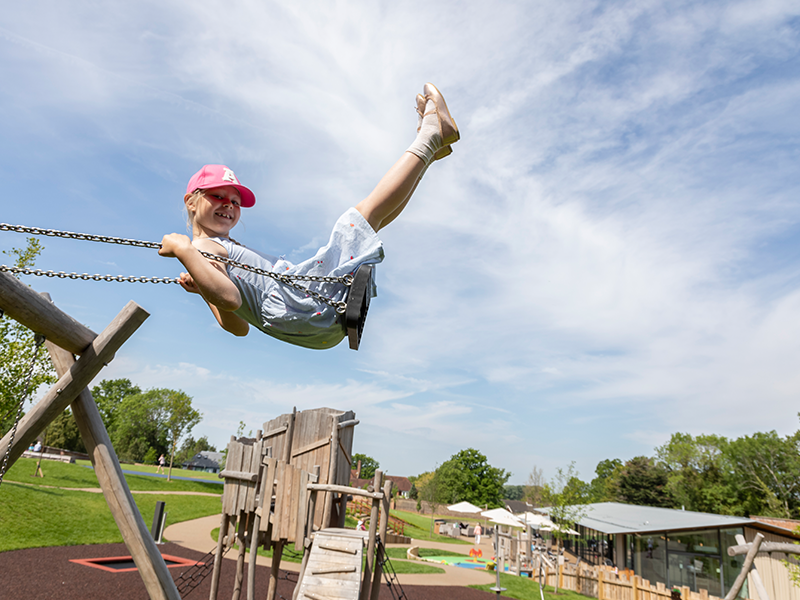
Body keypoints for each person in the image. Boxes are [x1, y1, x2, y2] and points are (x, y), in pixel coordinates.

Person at [159, 83, 459, 350]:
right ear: (191, 202)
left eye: (235, 201)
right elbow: (232, 302)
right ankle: (430, 138)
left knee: (367, 224)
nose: (228, 205)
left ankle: (430, 149)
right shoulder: (202, 248)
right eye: (218, 196)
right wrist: (185, 251)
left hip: (308, 325)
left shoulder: (209, 253)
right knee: (357, 220)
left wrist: (202, 285)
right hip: (300, 305)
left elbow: (237, 327)